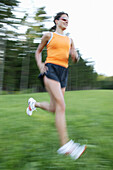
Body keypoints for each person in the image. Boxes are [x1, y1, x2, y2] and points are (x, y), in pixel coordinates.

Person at [26, 12, 86, 160]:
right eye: (64, 19)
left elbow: (75, 58)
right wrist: (40, 65)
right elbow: (38, 51)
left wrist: (75, 56)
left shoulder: (70, 40)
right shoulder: (49, 35)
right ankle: (65, 145)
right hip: (50, 69)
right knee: (62, 106)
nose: (66, 21)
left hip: (63, 73)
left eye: (68, 20)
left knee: (55, 108)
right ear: (57, 21)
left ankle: (34, 104)